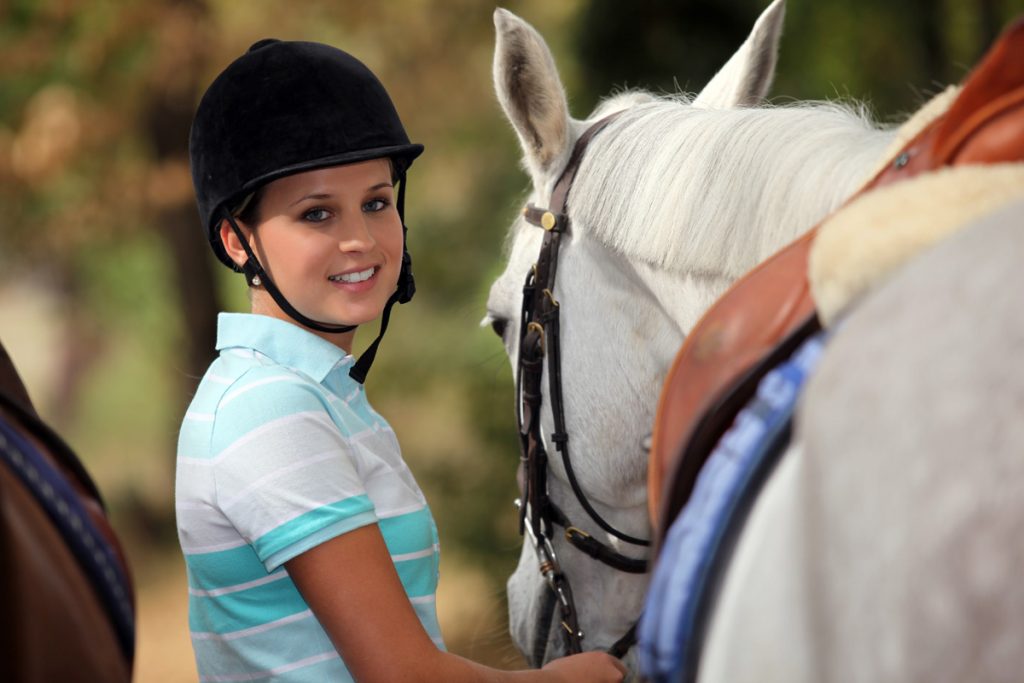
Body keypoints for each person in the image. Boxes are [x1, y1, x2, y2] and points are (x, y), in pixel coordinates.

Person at [176, 38, 626, 683]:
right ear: (236, 241)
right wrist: (571, 678)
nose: (359, 238)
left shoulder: (316, 394)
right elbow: (402, 674)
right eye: (316, 213)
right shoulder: (269, 408)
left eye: (377, 202)